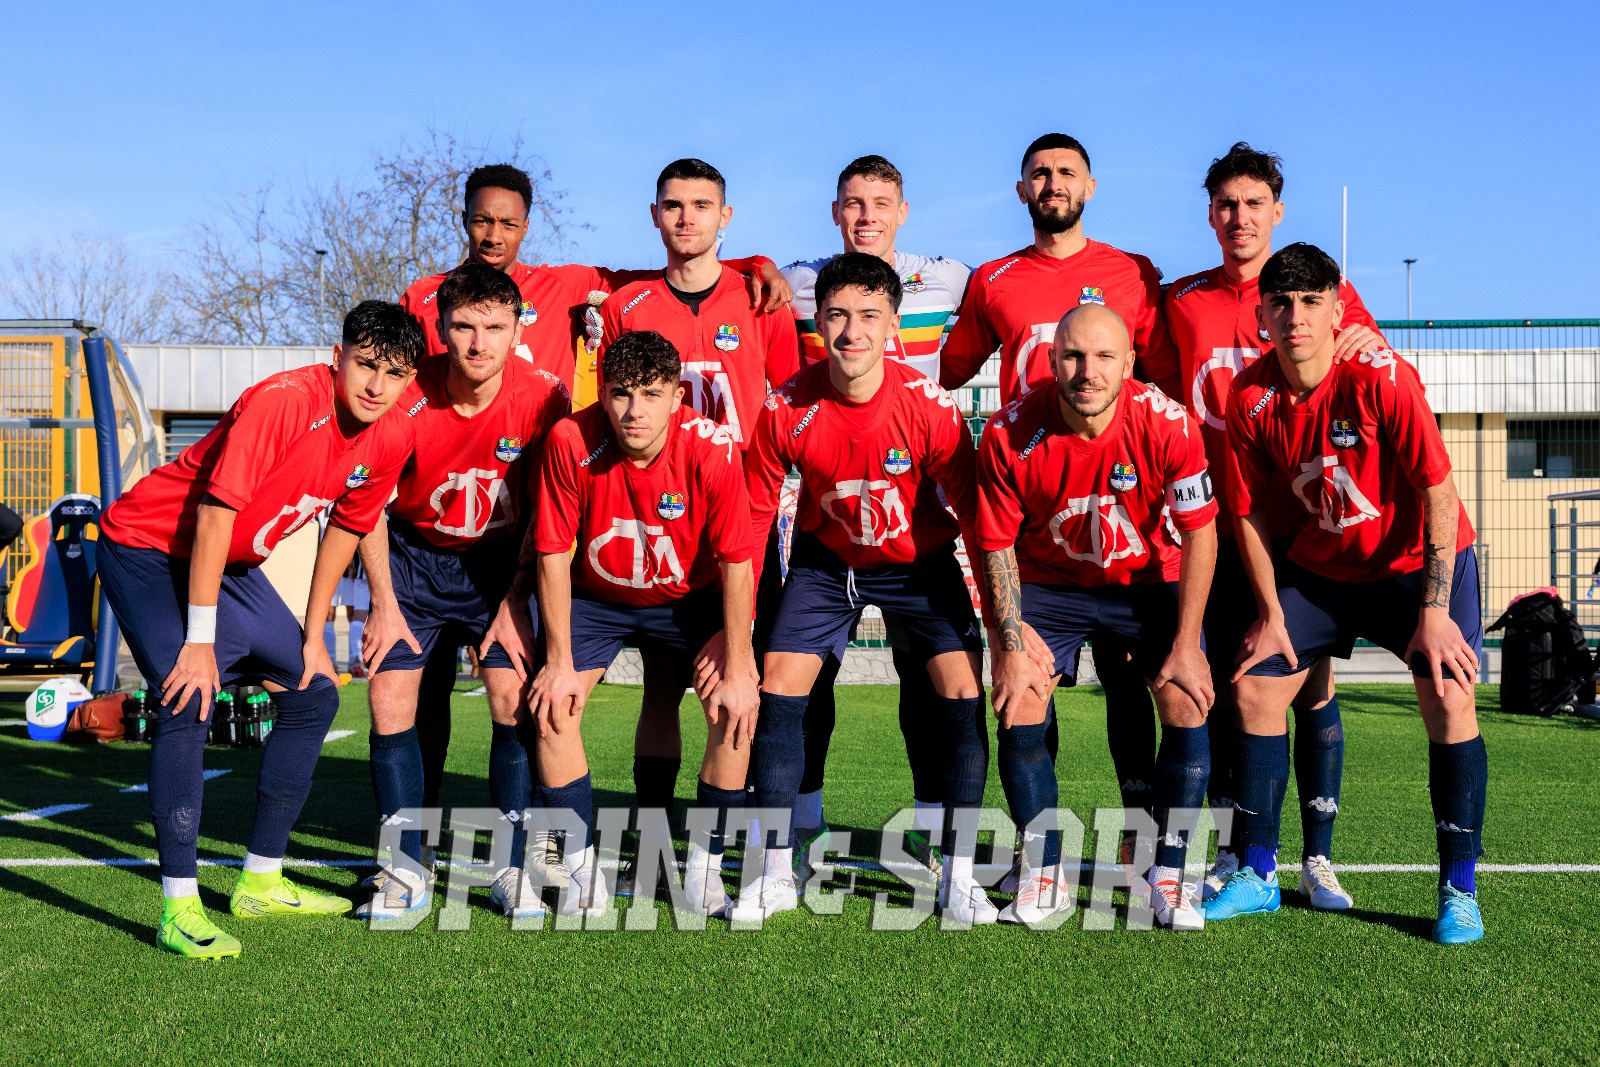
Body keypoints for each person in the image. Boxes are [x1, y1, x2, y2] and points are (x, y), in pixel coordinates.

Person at [398, 164, 789, 844]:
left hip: (683, 529)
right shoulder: (428, 298)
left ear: (528, 224)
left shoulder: (578, 285)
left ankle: (712, 844)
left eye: (508, 221)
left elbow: (679, 271)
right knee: (447, 687)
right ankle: (464, 840)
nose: (494, 233)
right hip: (477, 530)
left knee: (730, 691)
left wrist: (755, 260)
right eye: (482, 219)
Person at [96, 300, 422, 958]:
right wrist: (198, 639)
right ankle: (178, 904)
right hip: (150, 550)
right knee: (189, 695)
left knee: (313, 691)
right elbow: (217, 514)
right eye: (364, 365)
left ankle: (261, 881)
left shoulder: (392, 435)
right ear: (338, 356)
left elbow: (349, 528)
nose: (374, 385)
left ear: (410, 380)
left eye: (393, 373)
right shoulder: (283, 402)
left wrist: (313, 635)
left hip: (233, 565)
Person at [1214, 242, 1488, 945]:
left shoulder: (1380, 376)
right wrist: (1273, 615)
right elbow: (1245, 511)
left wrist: (1431, 613)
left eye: (1310, 302)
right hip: (1327, 570)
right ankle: (1257, 872)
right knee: (1255, 686)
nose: (1295, 317)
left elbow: (1438, 490)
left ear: (1339, 308)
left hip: (1415, 564)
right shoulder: (1248, 396)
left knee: (1448, 694)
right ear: (1262, 313)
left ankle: (1459, 887)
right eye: (1281, 303)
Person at [742, 253, 1018, 923]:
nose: (852, 331)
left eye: (868, 315)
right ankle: (777, 866)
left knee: (960, 685)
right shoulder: (787, 406)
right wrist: (733, 639)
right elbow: (749, 525)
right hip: (824, 560)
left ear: (893, 324)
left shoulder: (930, 408)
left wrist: (1006, 635)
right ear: (819, 319)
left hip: (916, 564)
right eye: (837, 315)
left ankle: (955, 872)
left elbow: (983, 525)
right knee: (778, 680)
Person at [939, 132, 1171, 871]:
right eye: (1039, 173)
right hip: (1033, 513)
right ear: (1021, 191)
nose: (1053, 182)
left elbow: (1165, 366)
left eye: (1067, 172)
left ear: (1091, 186)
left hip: (1125, 513)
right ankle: (1047, 848)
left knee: (1131, 683)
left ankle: (1142, 837)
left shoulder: (1133, 274)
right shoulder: (995, 280)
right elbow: (947, 366)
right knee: (1032, 680)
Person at [1165, 143, 1388, 906]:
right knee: (1240, 686)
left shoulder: (1321, 291)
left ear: (1277, 211)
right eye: (1226, 205)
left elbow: (1372, 367)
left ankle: (1316, 857)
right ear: (1210, 215)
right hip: (1222, 526)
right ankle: (1242, 851)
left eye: (1253, 204)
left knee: (1313, 684)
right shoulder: (1181, 301)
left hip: (1306, 526)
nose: (1239, 218)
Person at [978, 303, 1217, 928]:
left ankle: (1166, 874)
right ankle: (1044, 872)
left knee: (1186, 696)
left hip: (1141, 582)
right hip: (1048, 587)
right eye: (1075, 356)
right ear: (1052, 359)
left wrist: (1187, 643)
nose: (1089, 371)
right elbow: (995, 545)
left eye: (1105, 356)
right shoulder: (1008, 432)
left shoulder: (1168, 424)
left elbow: (1200, 533)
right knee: (1021, 696)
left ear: (1129, 363)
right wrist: (1008, 641)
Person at [357, 263, 571, 921]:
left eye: (494, 328)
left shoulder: (545, 395)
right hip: (414, 565)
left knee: (510, 694)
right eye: (464, 327)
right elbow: (366, 501)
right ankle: (404, 869)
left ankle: (511, 867)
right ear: (441, 328)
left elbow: (549, 504)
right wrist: (385, 603)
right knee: (391, 691)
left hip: (498, 568)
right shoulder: (405, 392)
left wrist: (514, 595)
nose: (479, 344)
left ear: (517, 329)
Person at [778, 154, 971, 867]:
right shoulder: (799, 281)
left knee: (925, 669)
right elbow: (732, 274)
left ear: (903, 211)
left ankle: (927, 819)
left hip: (915, 500)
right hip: (829, 499)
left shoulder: (950, 278)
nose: (866, 215)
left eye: (880, 202)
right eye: (853, 203)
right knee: (809, 671)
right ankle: (805, 817)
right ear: (835, 212)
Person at [526, 329, 759, 918]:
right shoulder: (570, 439)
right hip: (599, 598)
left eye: (651, 395)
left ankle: (701, 872)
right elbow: (553, 553)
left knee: (731, 707)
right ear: (602, 393)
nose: (634, 411)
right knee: (553, 703)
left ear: (678, 396)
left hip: (690, 599)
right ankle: (579, 869)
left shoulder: (713, 447)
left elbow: (737, 563)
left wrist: (739, 657)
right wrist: (557, 662)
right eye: (621, 394)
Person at [596, 157, 799, 824]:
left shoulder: (760, 295)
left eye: (701, 205)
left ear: (725, 216)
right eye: (674, 205)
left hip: (743, 520)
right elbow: (613, 410)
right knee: (662, 687)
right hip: (660, 519)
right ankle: (656, 833)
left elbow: (787, 406)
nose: (687, 217)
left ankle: (747, 837)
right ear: (655, 214)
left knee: (744, 682)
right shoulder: (629, 305)